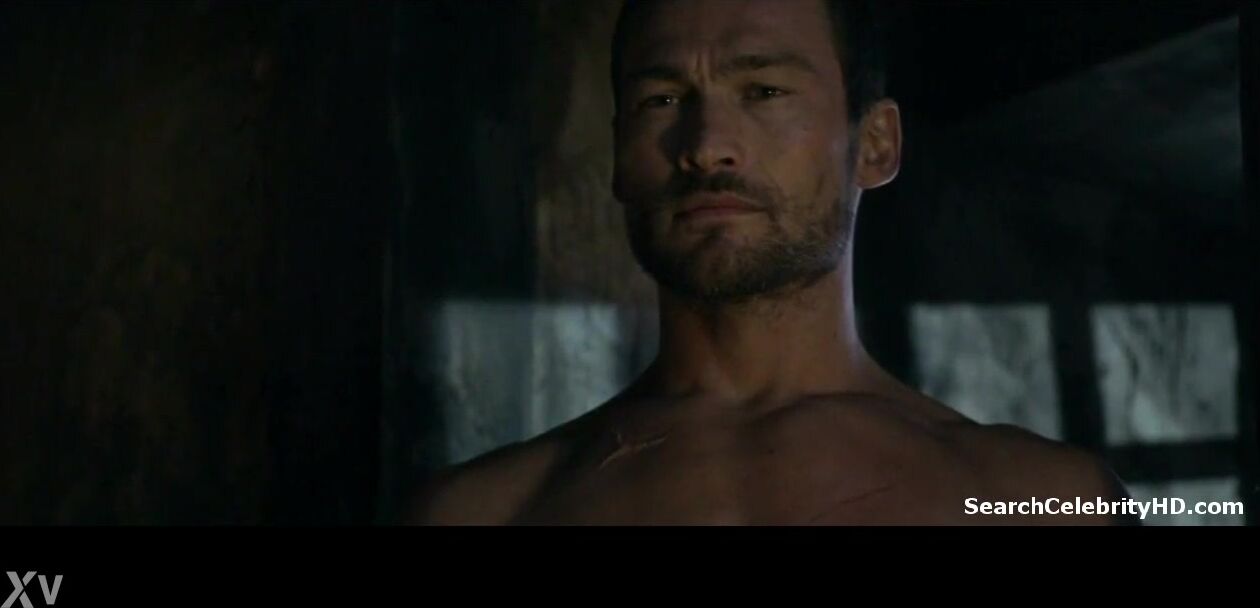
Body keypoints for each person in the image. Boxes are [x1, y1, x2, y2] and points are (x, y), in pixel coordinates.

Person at [407, 0, 1135, 525]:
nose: (706, 146)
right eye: (662, 99)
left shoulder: (1042, 500)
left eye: (763, 91)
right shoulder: (487, 512)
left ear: (875, 144)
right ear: (621, 156)